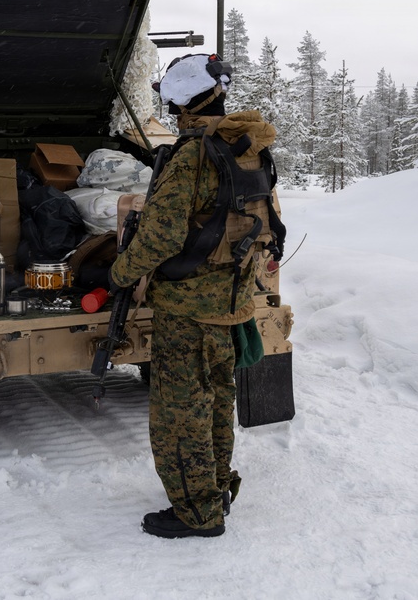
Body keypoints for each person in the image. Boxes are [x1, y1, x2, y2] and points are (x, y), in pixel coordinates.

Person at [109, 53, 279, 538]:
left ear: (182, 101)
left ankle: (197, 513)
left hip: (187, 312)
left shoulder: (191, 156)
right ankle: (215, 489)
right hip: (231, 306)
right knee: (217, 404)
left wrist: (122, 273)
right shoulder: (249, 148)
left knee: (181, 414)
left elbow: (160, 236)